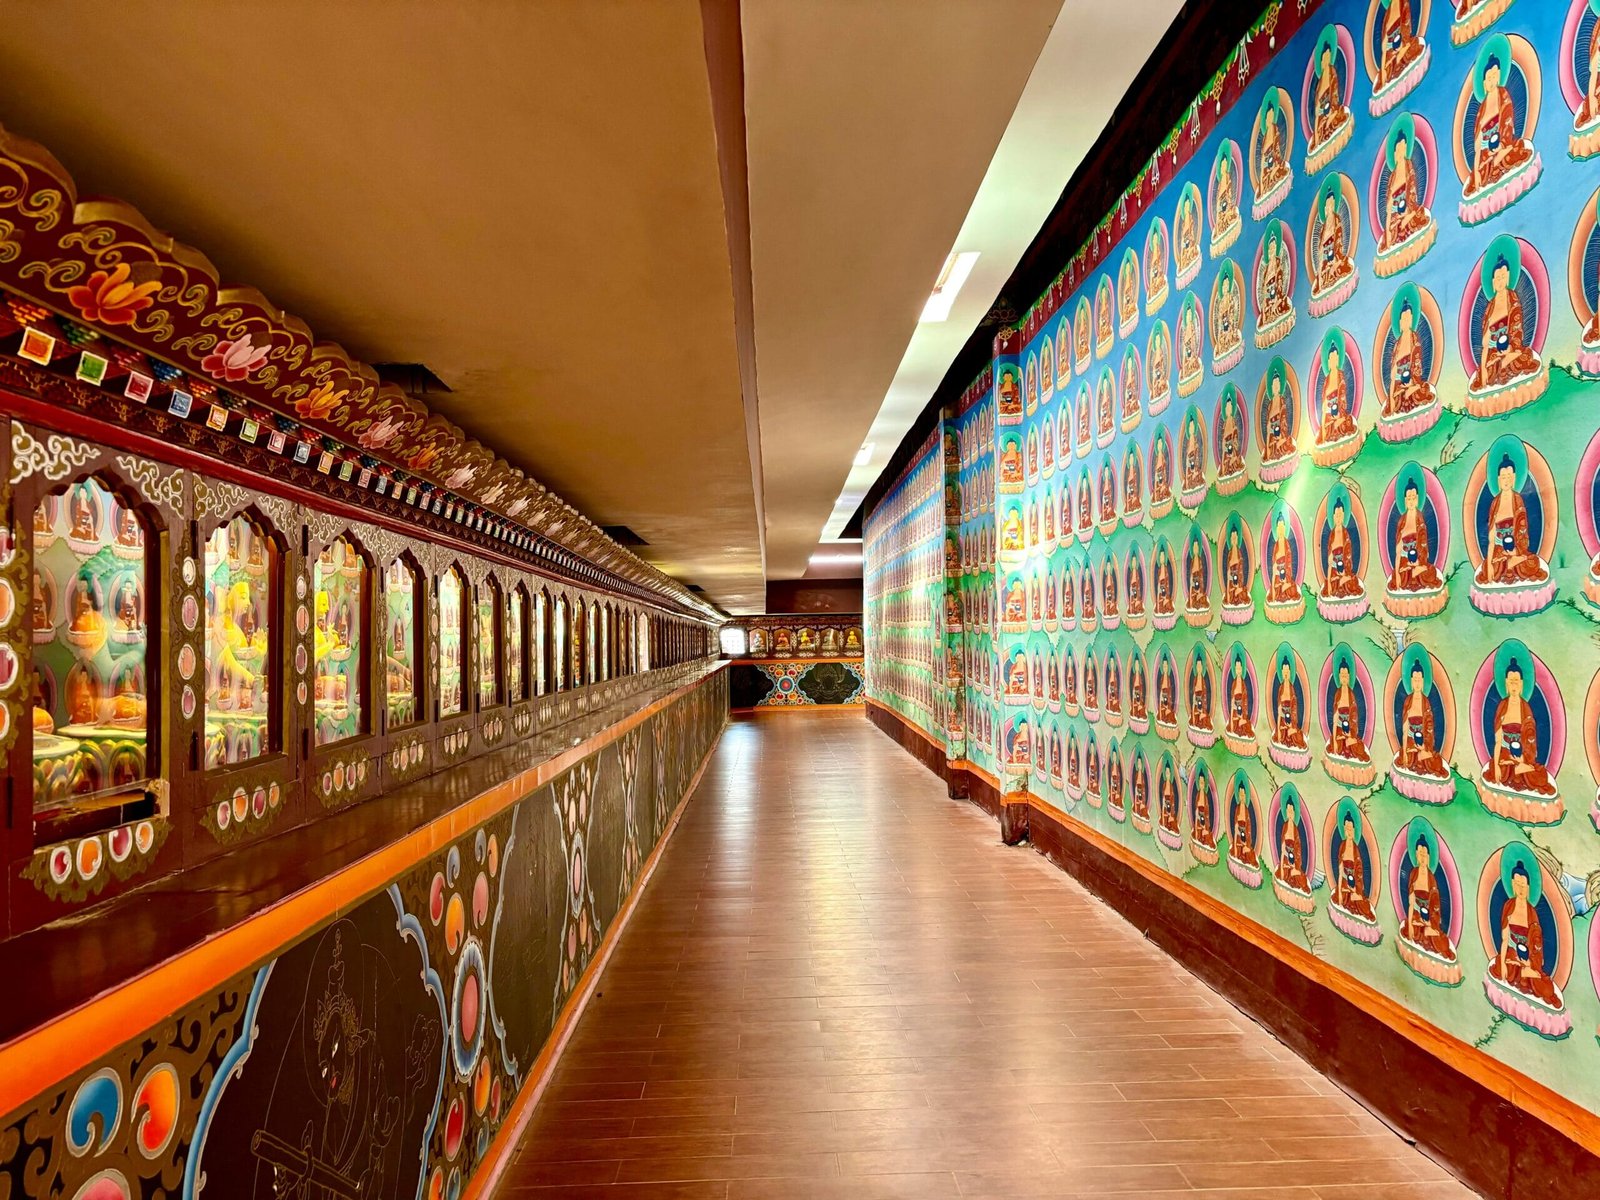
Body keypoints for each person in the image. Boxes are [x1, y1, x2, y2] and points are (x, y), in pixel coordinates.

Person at [1488, 863, 1561, 1006]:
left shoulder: (1532, 914)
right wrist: (1503, 963)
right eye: (1517, 884)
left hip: (1529, 959)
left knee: (1546, 989)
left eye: (1523, 885)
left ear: (1528, 888)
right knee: (1502, 969)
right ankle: (1521, 973)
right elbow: (1504, 940)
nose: (1520, 889)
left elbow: (1536, 946)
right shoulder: (1508, 907)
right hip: (1512, 956)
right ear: (1513, 885)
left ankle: (1524, 974)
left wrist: (1529, 964)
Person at [1486, 659, 1556, 795]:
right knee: (1500, 770)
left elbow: (1531, 741)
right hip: (1506, 756)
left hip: (1522, 755)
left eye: (1516, 681)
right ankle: (1513, 770)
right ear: (1506, 683)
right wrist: (1496, 766)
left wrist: (1523, 759)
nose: (1513, 685)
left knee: (1539, 776)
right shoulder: (1502, 707)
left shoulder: (1526, 709)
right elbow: (1498, 742)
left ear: (1522, 684)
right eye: (1511, 681)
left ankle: (1518, 769)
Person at [1477, 456, 1548, 587]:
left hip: (1516, 548)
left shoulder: (1518, 500)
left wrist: (1516, 551)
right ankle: (1509, 564)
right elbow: (1492, 537)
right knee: (1488, 567)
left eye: (1509, 476)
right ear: (1498, 480)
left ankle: (1511, 563)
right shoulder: (1495, 503)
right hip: (1499, 550)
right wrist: (1490, 565)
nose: (1506, 480)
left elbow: (1523, 531)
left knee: (1532, 563)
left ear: (1514, 478)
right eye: (1503, 477)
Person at [1472, 256, 1540, 391]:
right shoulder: (1489, 309)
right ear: (1492, 282)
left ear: (1508, 277)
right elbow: (1486, 344)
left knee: (1522, 357)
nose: (1500, 281)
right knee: (1490, 371)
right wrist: (1484, 369)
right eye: (1497, 278)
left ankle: (1503, 365)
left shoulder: (1513, 302)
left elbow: (1517, 331)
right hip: (1494, 356)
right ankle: (1498, 367)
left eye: (1503, 276)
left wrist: (1509, 349)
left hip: (1510, 350)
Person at [1470, 56, 1534, 197]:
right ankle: (1491, 170)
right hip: (1486, 156)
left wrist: (1502, 146)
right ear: (1484, 83)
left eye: (1494, 75)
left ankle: (1496, 167)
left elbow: (1507, 122)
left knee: (1510, 154)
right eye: (1489, 78)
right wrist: (1476, 171)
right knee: (1480, 177)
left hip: (1503, 146)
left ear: (1499, 75)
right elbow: (1478, 145)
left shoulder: (1503, 96)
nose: (1492, 80)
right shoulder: (1481, 111)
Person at [1403, 837, 1454, 958]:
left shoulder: (1432, 881)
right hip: (1416, 919)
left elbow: (1436, 910)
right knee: (1412, 931)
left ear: (1429, 857)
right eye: (1420, 854)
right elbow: (1411, 904)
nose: (1422, 858)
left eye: (1424, 855)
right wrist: (1410, 924)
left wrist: (1430, 924)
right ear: (1416, 855)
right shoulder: (1413, 874)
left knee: (1439, 941)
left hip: (1429, 921)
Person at [1390, 479, 1443, 592]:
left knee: (1429, 572)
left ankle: (1415, 573)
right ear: (1405, 500)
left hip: (1419, 561)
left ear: (1418, 498)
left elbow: (1423, 546)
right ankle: (1411, 574)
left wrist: (1419, 563)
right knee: (1400, 575)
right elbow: (1398, 551)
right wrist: (1398, 573)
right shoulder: (1401, 522)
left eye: (1414, 498)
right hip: (1405, 562)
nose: (1411, 501)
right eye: (1409, 498)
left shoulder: (1420, 521)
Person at [1381, 135, 1429, 253]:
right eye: (1398, 149)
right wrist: (1387, 231)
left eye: (1403, 147)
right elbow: (1389, 210)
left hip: (1409, 213)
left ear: (1406, 148)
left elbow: (1412, 198)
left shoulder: (1409, 169)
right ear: (1395, 153)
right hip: (1396, 221)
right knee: (1394, 233)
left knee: (1418, 216)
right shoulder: (1392, 179)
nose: (1400, 152)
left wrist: (1407, 216)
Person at [1399, 664, 1447, 778]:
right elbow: (1405, 730)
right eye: (1415, 680)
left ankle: (1421, 758)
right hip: (1411, 743)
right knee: (1408, 759)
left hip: (1424, 744)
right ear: (1411, 681)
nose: (1417, 683)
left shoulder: (1426, 703)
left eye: (1419, 680)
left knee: (1433, 762)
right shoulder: (1408, 701)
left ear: (1423, 681)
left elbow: (1429, 729)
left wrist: (1424, 747)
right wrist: (1405, 751)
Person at [1387, 301, 1434, 414]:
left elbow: (1417, 366)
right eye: (1404, 318)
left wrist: (1412, 384)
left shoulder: (1414, 341)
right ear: (1400, 322)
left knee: (1418, 393)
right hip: (1400, 386)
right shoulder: (1397, 346)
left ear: (1412, 319)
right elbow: (1394, 375)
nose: (1406, 321)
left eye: (1409, 318)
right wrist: (1393, 394)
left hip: (1413, 382)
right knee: (1398, 399)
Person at [1332, 813, 1375, 919]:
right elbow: (1341, 870)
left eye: (1351, 829)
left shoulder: (1356, 851)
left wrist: (1356, 890)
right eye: (1347, 829)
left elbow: (1359, 874)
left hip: (1355, 885)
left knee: (1363, 907)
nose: (1349, 831)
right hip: (1345, 884)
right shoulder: (1342, 846)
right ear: (1344, 830)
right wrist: (1341, 891)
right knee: (1340, 898)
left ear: (1354, 830)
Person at [1313, 190, 1355, 297]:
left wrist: (1334, 260)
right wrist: (1321, 265)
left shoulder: (1337, 221)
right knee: (1322, 276)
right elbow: (1320, 250)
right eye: (1327, 205)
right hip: (1325, 260)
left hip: (1335, 256)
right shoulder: (1323, 228)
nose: (1329, 207)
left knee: (1338, 268)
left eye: (1331, 204)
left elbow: (1338, 242)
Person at [1377, 0, 1425, 91]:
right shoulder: (1387, 17)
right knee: (1386, 72)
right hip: (1391, 56)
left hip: (1404, 48)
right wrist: (1383, 71)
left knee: (1412, 49)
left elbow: (1406, 37)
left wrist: (1400, 54)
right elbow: (1384, 49)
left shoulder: (1403, 4)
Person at [1329, 661, 1370, 763]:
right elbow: (1335, 719)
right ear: (1339, 676)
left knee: (1357, 747)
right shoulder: (1337, 694)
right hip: (1339, 730)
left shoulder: (1351, 695)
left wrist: (1350, 736)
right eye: (1342, 675)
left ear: (1349, 676)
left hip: (1350, 730)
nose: (1344, 678)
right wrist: (1335, 738)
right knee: (1337, 747)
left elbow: (1354, 718)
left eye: (1345, 675)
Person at [1276, 798, 1310, 892]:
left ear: (1294, 812)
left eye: (1292, 811)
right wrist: (1284, 865)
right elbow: (1283, 849)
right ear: (1286, 811)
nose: (1290, 813)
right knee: (1283, 875)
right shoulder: (1285, 827)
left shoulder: (1296, 831)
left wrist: (1295, 866)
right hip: (1286, 860)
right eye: (1288, 811)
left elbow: (1298, 851)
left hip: (1294, 861)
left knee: (1301, 880)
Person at [1262, 370, 1295, 461]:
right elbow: (1269, 424)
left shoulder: (1282, 402)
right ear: (1271, 387)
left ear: (1280, 385)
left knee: (1282, 444)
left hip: (1281, 435)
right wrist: (1270, 432)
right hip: (1272, 438)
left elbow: (1284, 421)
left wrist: (1280, 435)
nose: (1276, 387)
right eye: (1274, 384)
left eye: (1277, 384)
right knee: (1269, 451)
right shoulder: (1270, 406)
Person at [1274, 661, 1306, 749]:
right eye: (1284, 671)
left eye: (1287, 671)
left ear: (1290, 672)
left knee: (1296, 736)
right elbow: (1279, 710)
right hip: (1283, 721)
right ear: (1281, 672)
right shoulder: (1281, 688)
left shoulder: (1292, 690)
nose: (1286, 673)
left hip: (1291, 721)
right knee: (1281, 735)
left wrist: (1292, 726)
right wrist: (1279, 728)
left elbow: (1294, 710)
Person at [1268, 516, 1298, 603]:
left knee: (1292, 589)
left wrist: (1285, 580)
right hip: (1278, 577)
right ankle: (1280, 590)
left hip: (1286, 576)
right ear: (1276, 530)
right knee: (1276, 590)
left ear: (1284, 528)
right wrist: (1276, 574)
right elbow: (1274, 567)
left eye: (1282, 527)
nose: (1280, 530)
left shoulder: (1287, 546)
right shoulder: (1275, 547)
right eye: (1279, 528)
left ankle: (1284, 587)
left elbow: (1289, 565)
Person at [1227, 660, 1253, 739]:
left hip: (1242, 711)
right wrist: (1232, 718)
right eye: (1237, 668)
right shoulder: (1234, 684)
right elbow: (1232, 702)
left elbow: (1245, 702)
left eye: (1239, 668)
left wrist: (1242, 716)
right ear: (1235, 669)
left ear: (1242, 669)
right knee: (1234, 726)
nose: (1238, 670)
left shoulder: (1243, 685)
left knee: (1245, 725)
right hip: (1235, 711)